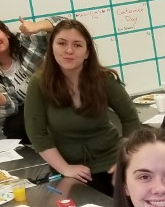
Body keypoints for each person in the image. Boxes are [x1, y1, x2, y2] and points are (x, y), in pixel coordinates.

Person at [25, 19, 140, 196]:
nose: (69, 50)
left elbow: (131, 119)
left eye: (77, 45)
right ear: (52, 47)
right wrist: (65, 168)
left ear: (87, 52)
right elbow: (37, 133)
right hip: (69, 169)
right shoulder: (39, 83)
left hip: (113, 164)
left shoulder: (104, 79)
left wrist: (126, 160)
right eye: (62, 43)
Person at [0, 15, 61, 141]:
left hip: (60, 99)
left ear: (6, 33)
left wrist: (37, 26)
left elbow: (67, 26)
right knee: (12, 127)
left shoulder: (27, 41)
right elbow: (11, 109)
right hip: (37, 111)